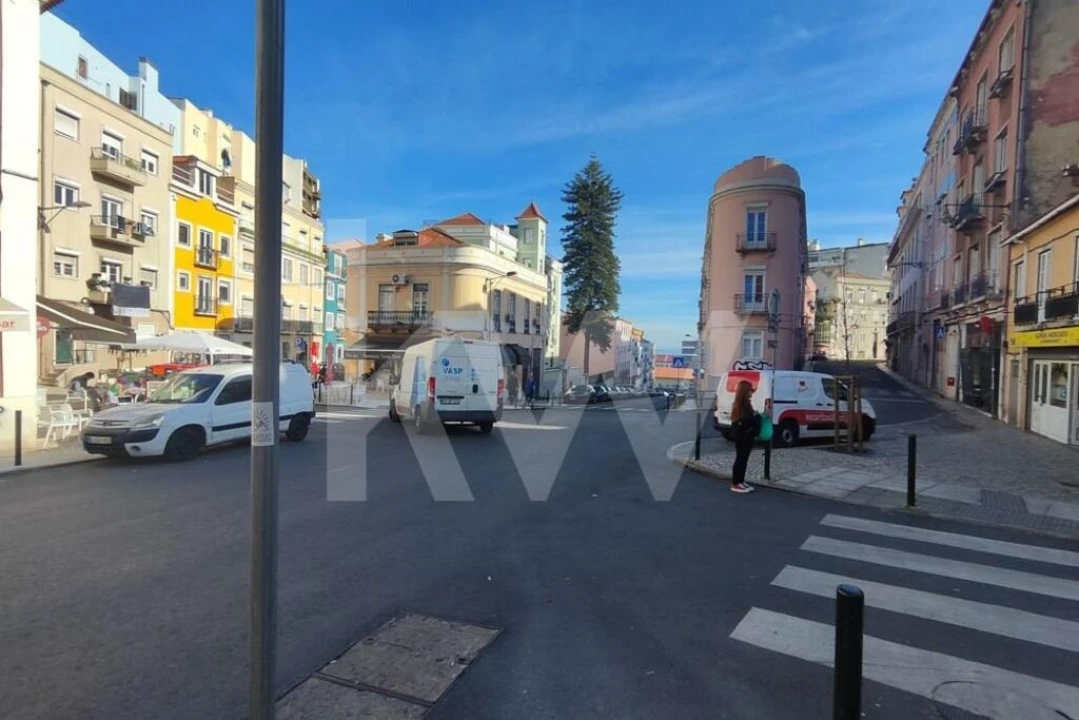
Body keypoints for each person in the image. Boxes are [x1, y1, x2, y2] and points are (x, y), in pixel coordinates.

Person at [729, 380, 761, 494]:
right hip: (743, 436)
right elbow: (746, 420)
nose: (751, 393)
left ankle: (740, 481)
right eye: (750, 391)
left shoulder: (743, 403)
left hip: (744, 435)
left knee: (743, 459)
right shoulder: (743, 405)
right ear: (745, 391)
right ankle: (736, 483)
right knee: (741, 459)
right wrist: (756, 417)